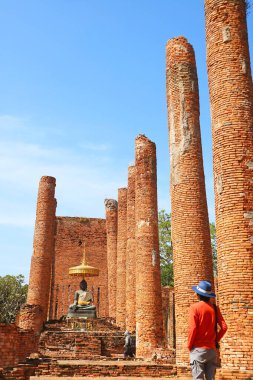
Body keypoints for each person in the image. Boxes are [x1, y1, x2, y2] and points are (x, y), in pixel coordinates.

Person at [188, 280, 227, 380]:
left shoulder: (194, 308)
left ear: (198, 294)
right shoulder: (214, 308)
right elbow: (224, 327)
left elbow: (193, 328)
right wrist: (215, 340)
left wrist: (189, 345)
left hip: (198, 349)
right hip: (211, 350)